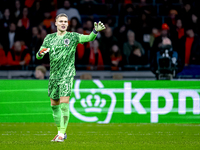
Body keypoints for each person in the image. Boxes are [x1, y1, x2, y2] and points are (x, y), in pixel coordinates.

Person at [36, 13, 105, 142]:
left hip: (67, 75)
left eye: (65, 21)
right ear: (55, 23)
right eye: (61, 21)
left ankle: (61, 134)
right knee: (54, 105)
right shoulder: (49, 38)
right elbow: (38, 55)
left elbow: (89, 38)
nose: (63, 23)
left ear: (67, 24)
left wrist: (95, 31)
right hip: (53, 76)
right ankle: (60, 132)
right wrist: (40, 53)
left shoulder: (73, 36)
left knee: (64, 105)